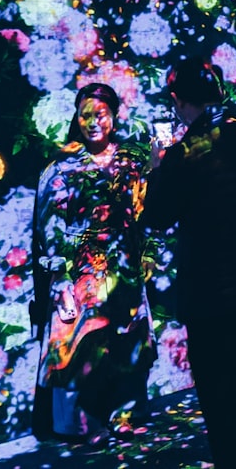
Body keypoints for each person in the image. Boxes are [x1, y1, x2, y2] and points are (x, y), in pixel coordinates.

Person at [143, 57, 236, 469]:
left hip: (211, 298)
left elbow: (156, 218)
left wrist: (155, 169)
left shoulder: (182, 155)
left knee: (221, 402)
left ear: (176, 100)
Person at [30, 82, 156, 442]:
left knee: (127, 342)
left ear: (113, 118)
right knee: (75, 344)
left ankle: (123, 413)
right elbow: (49, 223)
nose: (91, 121)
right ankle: (76, 424)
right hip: (81, 266)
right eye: (84, 114)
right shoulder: (64, 166)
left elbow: (145, 213)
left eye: (99, 114)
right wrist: (59, 278)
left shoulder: (131, 162)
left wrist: (148, 254)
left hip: (125, 265)